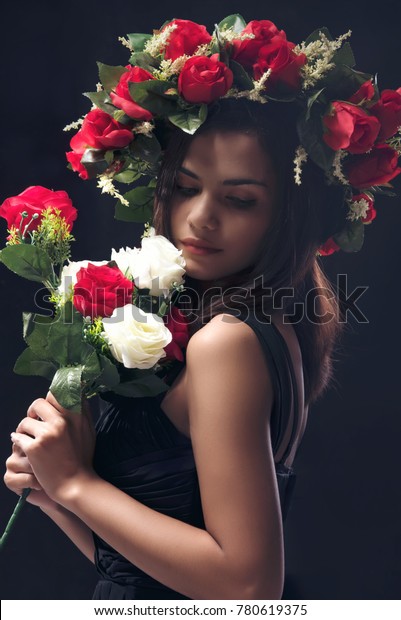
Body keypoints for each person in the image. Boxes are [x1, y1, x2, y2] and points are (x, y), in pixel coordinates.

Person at [3, 17, 401, 600]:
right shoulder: (258, 329)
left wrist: (79, 485)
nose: (201, 218)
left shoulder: (229, 342)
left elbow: (247, 588)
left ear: (285, 217)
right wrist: (56, 496)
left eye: (239, 199)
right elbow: (146, 577)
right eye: (186, 188)